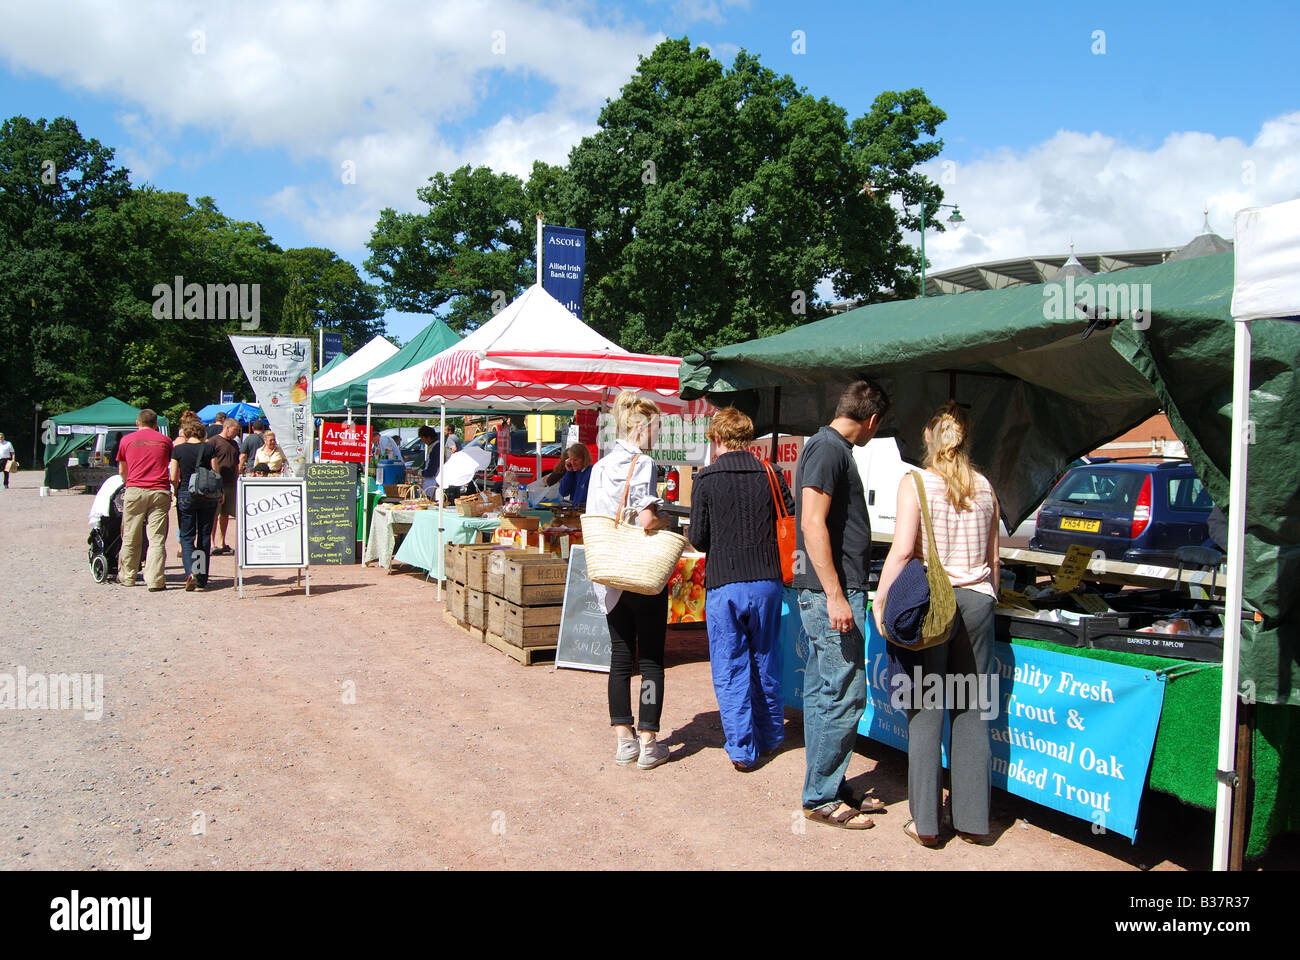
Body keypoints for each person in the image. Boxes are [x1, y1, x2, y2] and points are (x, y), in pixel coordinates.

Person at [874, 401, 1000, 848]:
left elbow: (904, 550)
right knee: (971, 712)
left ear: (930, 438)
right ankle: (971, 821)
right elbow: (993, 560)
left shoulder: (916, 482)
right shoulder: (986, 487)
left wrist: (882, 600)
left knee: (925, 714)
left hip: (932, 605)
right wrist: (988, 597)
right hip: (979, 604)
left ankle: (926, 824)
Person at [794, 379, 890, 829]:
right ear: (871, 419)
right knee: (846, 693)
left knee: (824, 691)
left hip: (825, 590)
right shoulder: (829, 450)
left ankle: (826, 784)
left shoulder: (826, 448)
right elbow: (812, 522)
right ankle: (821, 797)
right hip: (830, 592)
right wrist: (836, 595)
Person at [689, 407, 795, 771]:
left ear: (717, 437)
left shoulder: (705, 479)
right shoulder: (771, 473)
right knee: (766, 659)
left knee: (729, 665)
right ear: (747, 438)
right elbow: (789, 516)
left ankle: (741, 748)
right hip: (767, 581)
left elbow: (699, 539)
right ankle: (770, 738)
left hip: (725, 584)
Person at [587, 391, 673, 770]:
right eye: (655, 428)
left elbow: (595, 517)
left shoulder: (600, 465)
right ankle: (650, 738)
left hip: (610, 570)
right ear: (641, 427)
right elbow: (647, 520)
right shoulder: (644, 463)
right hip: (641, 567)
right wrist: (666, 518)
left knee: (620, 658)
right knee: (651, 658)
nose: (657, 436)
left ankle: (624, 738)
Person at [116, 408, 174, 591]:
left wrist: (129, 483)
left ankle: (127, 576)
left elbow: (122, 471)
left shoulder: (126, 440)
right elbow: (167, 464)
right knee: (156, 538)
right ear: (156, 424)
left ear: (137, 423)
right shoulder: (166, 441)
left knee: (131, 535)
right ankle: (155, 580)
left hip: (135, 489)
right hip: (160, 490)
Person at [170, 419, 217, 591]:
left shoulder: (178, 450)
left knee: (187, 536)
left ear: (186, 433)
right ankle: (202, 578)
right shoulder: (209, 448)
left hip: (185, 493)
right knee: (204, 536)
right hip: (206, 494)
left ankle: (191, 572)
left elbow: (173, 475)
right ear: (201, 432)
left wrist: (176, 491)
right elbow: (215, 472)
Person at [210, 417, 242, 554]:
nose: (236, 434)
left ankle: (222, 542)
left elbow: (236, 463)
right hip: (217, 483)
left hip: (231, 482)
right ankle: (211, 543)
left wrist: (237, 476)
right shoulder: (213, 441)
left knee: (225, 513)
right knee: (214, 514)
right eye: (235, 430)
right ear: (227, 428)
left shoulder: (234, 444)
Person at [540, 443, 593, 507]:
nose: (572, 463)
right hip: (574, 511)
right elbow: (564, 492)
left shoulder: (592, 472)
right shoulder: (573, 472)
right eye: (571, 459)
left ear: (584, 459)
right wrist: (569, 472)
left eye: (575, 460)